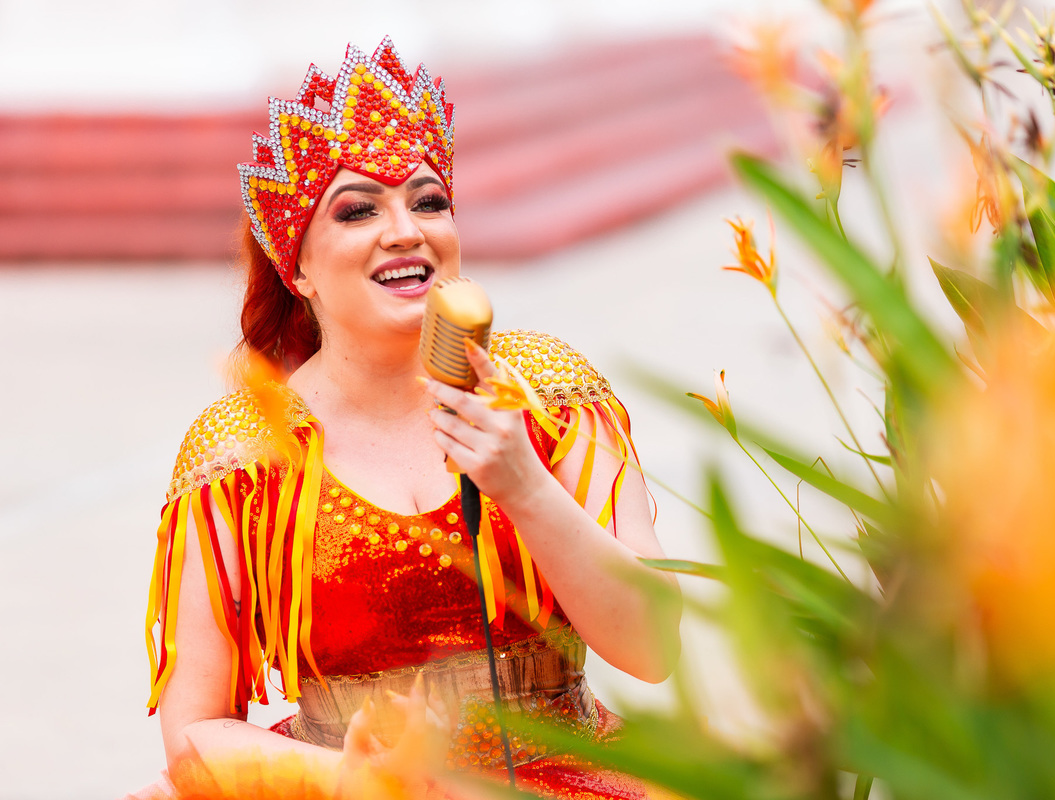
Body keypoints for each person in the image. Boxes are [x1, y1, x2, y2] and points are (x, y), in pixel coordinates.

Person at [142, 38, 681, 799]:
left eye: (429, 201)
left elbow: (653, 646)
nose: (405, 229)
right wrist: (359, 780)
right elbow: (193, 731)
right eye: (358, 210)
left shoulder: (548, 393)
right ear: (297, 268)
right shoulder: (241, 453)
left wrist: (521, 483)